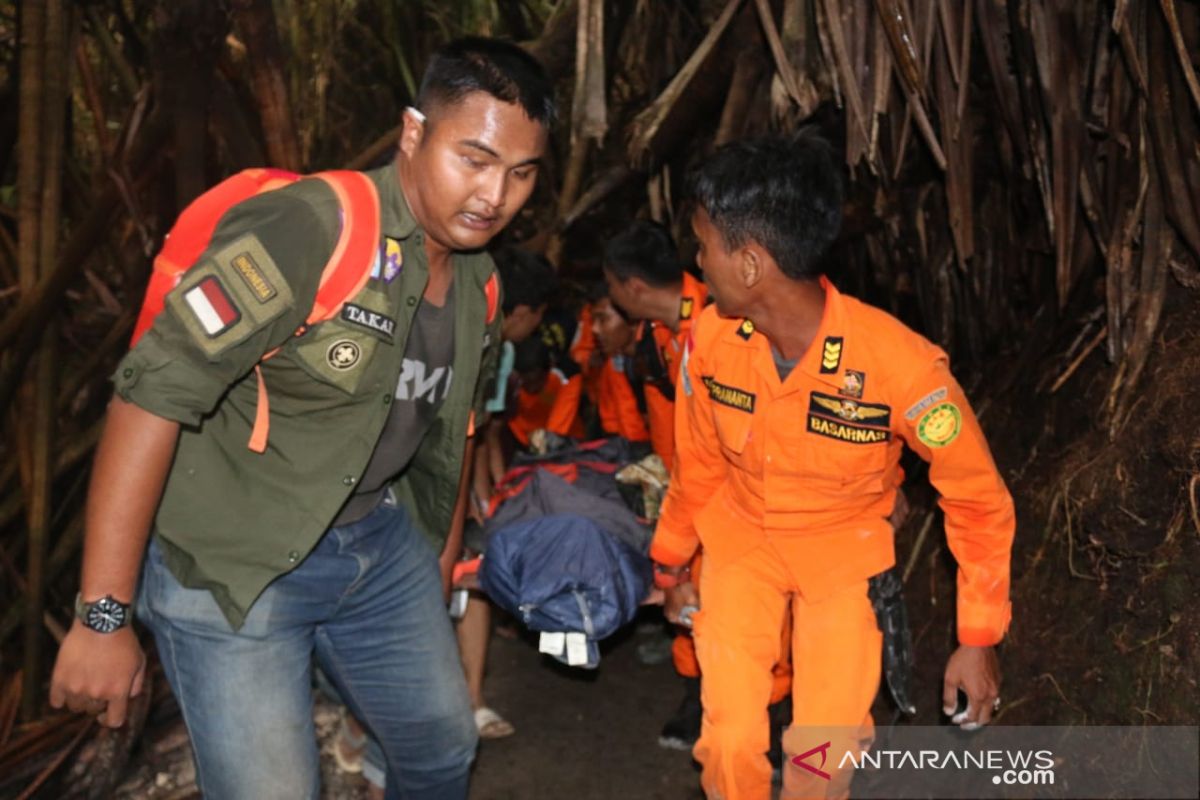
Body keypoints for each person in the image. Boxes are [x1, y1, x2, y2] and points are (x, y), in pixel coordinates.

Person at [49, 37, 555, 800]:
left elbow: (449, 439)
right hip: (233, 567)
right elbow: (151, 393)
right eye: (474, 159)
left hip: (376, 553)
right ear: (415, 133)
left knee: (442, 746)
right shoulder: (311, 228)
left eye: (521, 174)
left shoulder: (482, 285)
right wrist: (104, 615)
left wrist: (435, 572)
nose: (494, 196)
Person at [652, 133, 1015, 800]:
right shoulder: (709, 341)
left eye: (704, 247)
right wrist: (671, 563)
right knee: (729, 742)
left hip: (844, 557)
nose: (698, 264)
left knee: (825, 753)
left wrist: (977, 635)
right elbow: (697, 464)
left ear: (751, 263)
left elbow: (976, 498)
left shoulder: (900, 366)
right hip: (741, 548)